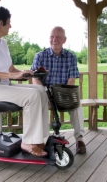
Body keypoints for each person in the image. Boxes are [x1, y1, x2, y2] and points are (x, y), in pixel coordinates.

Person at [0, 6, 50, 157]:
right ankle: (28, 142)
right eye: (9, 23)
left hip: (2, 86)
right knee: (32, 96)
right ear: (1, 23)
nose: (10, 26)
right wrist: (12, 76)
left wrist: (22, 73)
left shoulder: (3, 43)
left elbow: (10, 68)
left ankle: (40, 138)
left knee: (41, 90)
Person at [30, 26, 86, 154]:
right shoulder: (40, 56)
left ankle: (80, 140)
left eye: (58, 37)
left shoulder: (71, 57)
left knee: (77, 106)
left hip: (63, 92)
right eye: (52, 36)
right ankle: (40, 141)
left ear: (64, 40)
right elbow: (35, 78)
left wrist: (63, 94)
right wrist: (45, 90)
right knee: (38, 104)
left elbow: (71, 80)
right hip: (45, 93)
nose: (54, 39)